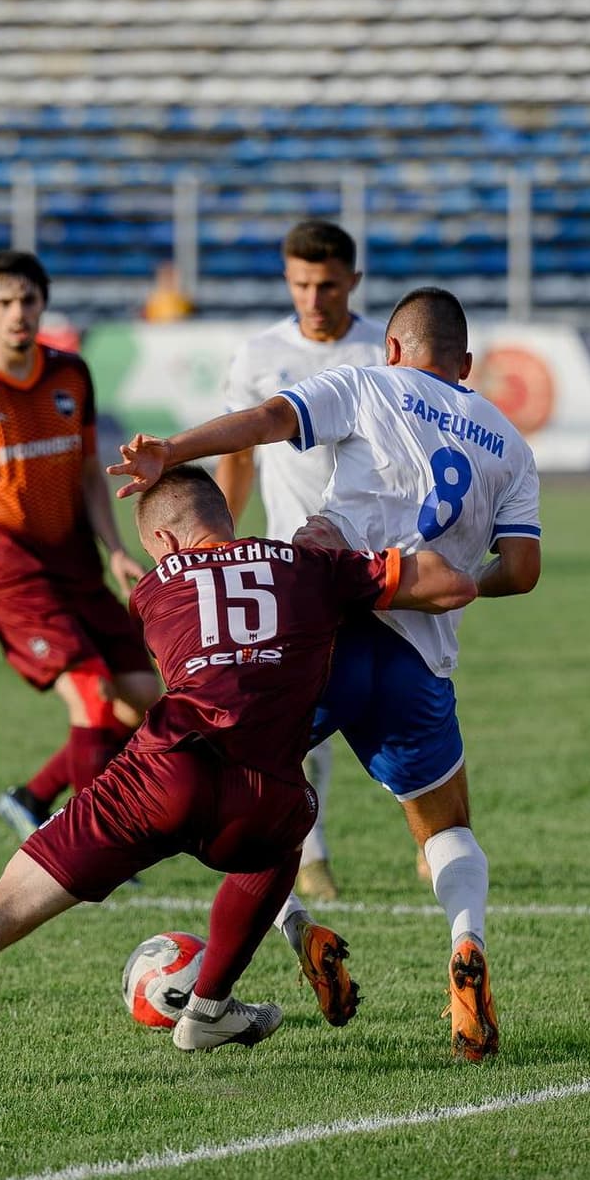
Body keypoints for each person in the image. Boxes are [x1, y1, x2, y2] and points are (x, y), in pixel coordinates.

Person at [0, 467, 477, 1093]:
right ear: (225, 517)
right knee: (286, 831)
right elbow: (449, 585)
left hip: (164, 775)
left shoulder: (155, 588)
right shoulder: (311, 567)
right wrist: (352, 566)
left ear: (162, 544)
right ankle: (208, 1009)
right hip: (264, 799)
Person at [110, 287, 543, 1062]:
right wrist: (450, 580)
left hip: (319, 627)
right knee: (446, 828)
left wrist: (173, 451)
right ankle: (464, 942)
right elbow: (523, 569)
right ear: (467, 364)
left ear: (394, 350)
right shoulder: (510, 443)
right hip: (417, 653)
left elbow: (267, 421)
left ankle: (299, 930)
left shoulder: (367, 382)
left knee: (245, 800)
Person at [0, 250, 162, 838]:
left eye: (28, 300)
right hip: (12, 572)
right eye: (5, 302)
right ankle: (93, 844)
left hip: (78, 562)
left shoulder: (71, 373)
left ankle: (35, 796)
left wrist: (115, 547)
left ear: (43, 304)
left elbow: (91, 471)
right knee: (93, 696)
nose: (19, 313)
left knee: (143, 695)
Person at [214, 219, 385, 902]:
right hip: (293, 565)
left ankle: (431, 837)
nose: (314, 298)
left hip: (377, 557)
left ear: (353, 282)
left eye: (327, 284)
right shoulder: (259, 355)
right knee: (300, 715)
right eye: (300, 284)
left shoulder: (382, 351)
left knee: (402, 695)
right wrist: (222, 547)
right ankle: (310, 853)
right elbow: (239, 459)